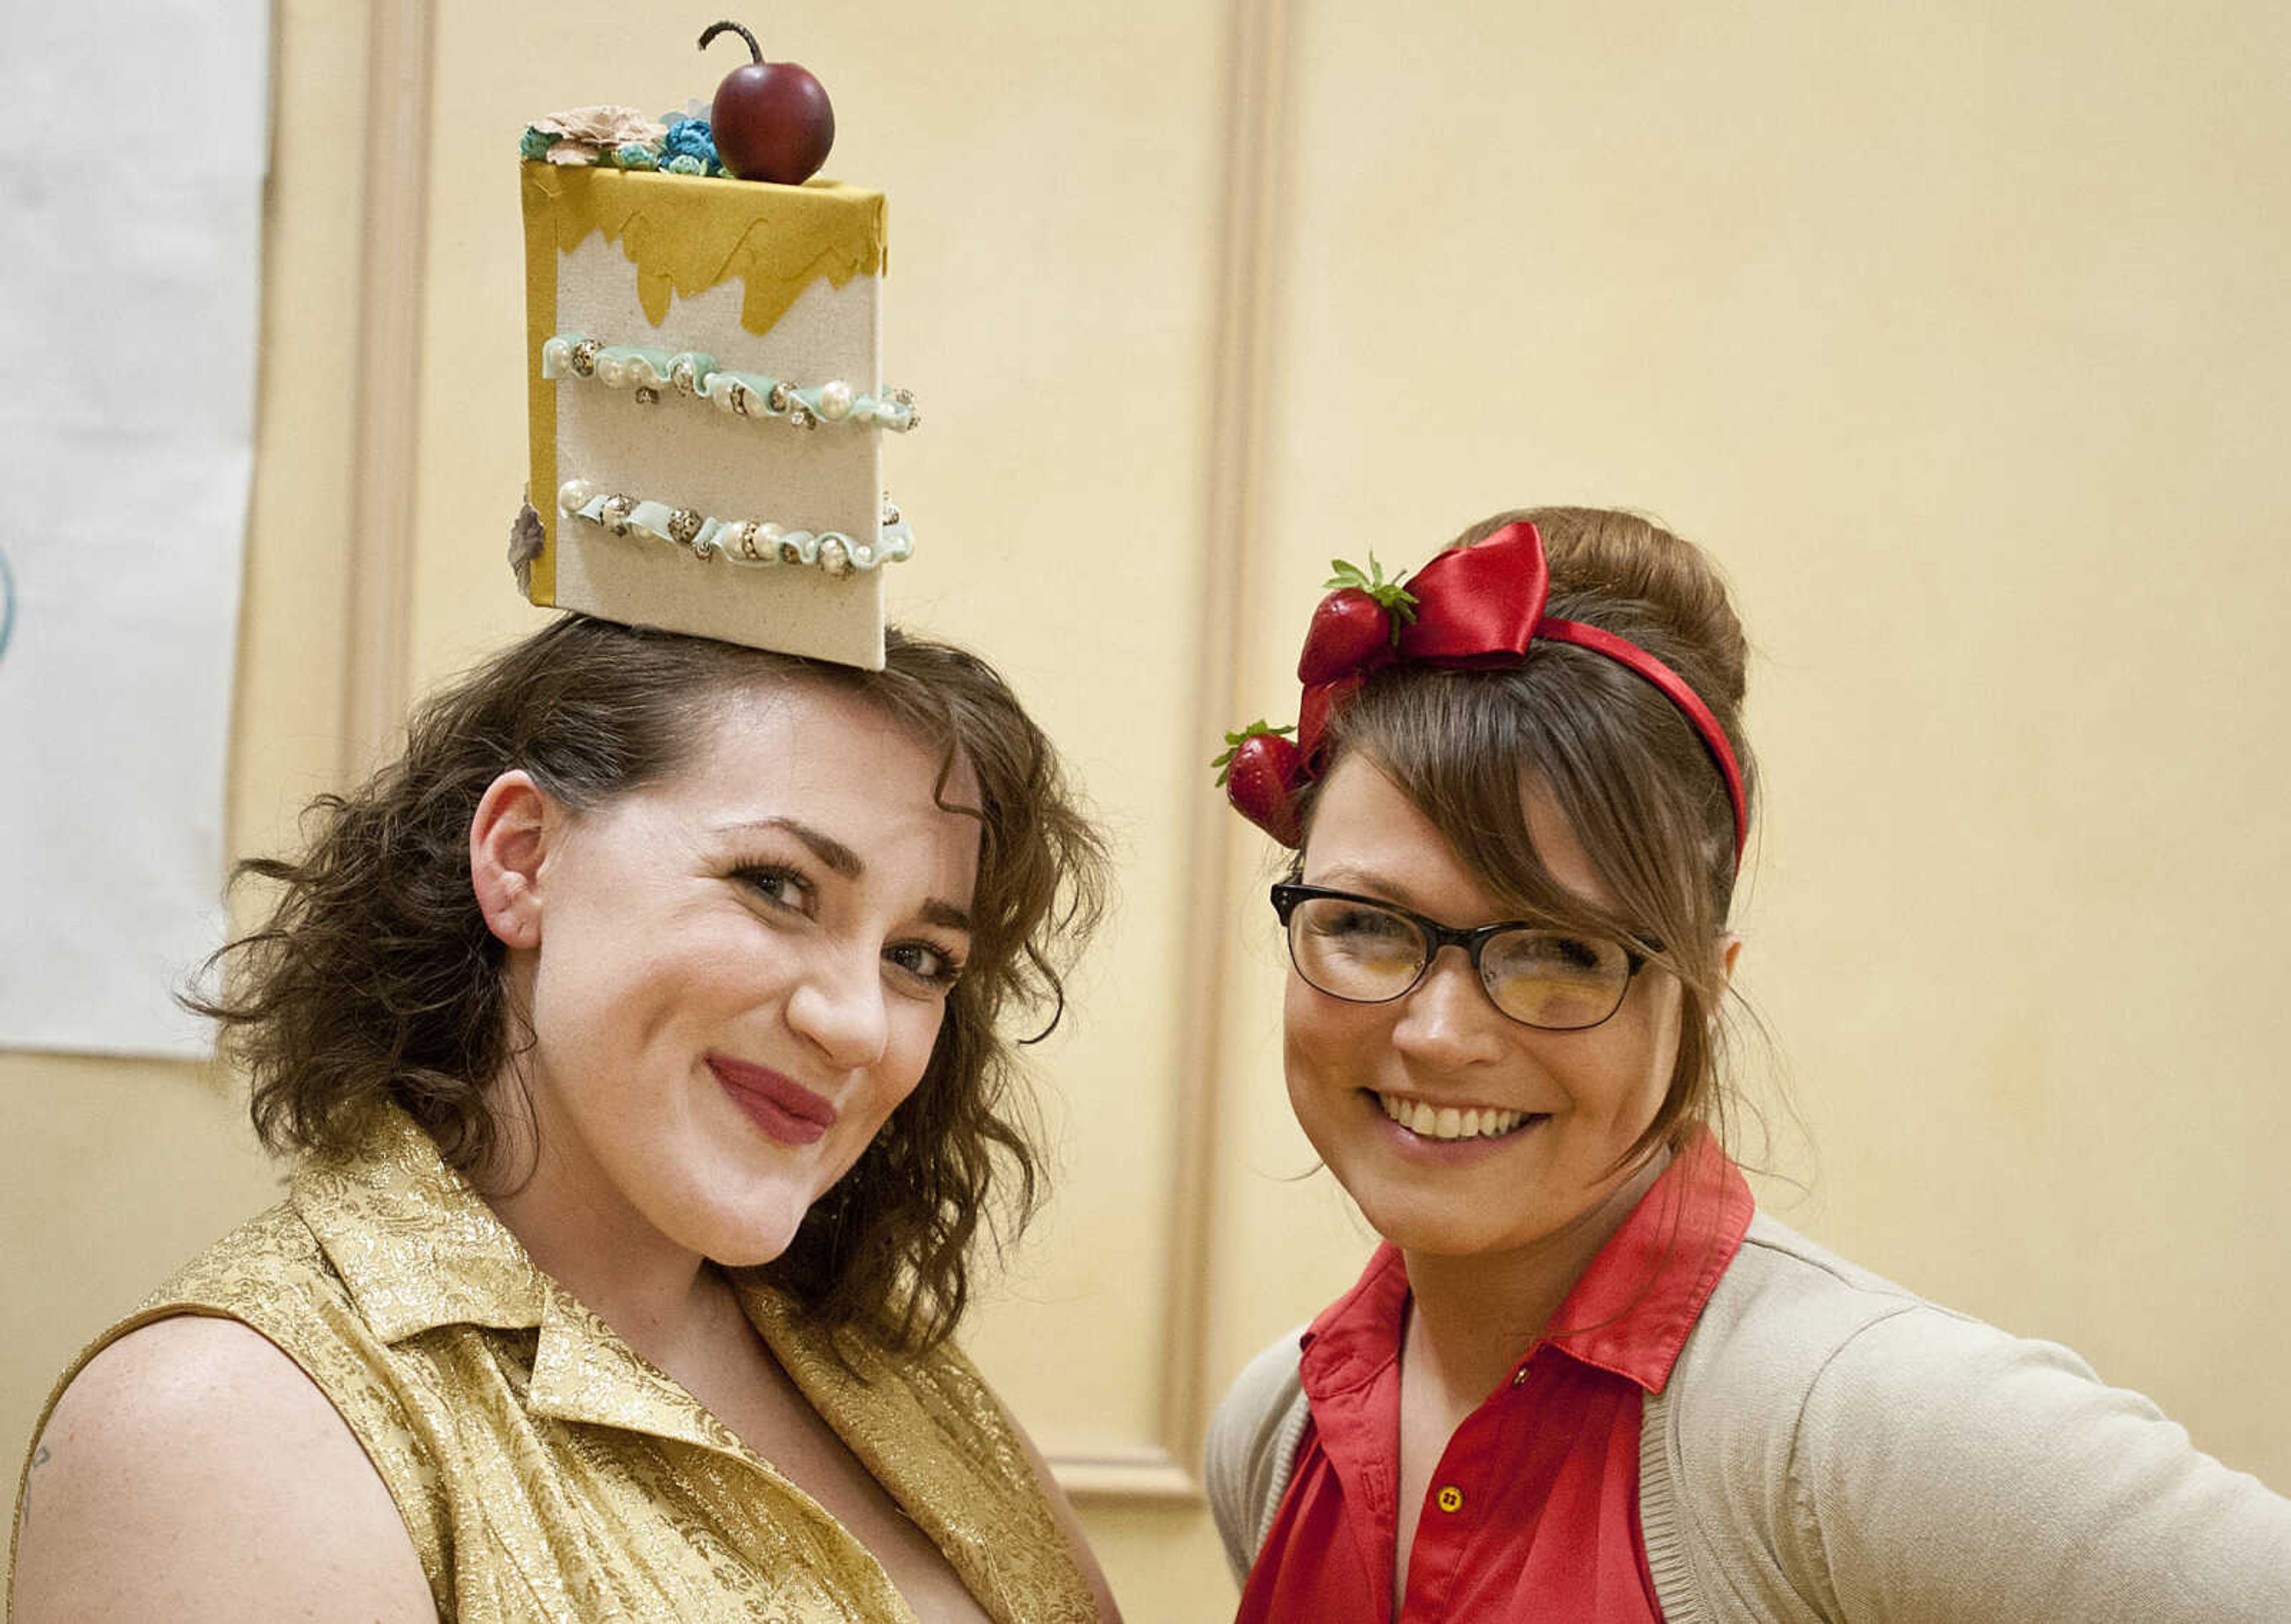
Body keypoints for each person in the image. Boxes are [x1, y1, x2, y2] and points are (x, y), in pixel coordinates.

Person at [1204, 510, 2291, 1622]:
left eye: (1561, 952)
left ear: (1703, 986)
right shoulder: (1272, 1429)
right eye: (1366, 924)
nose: (1438, 1031)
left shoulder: (1867, 1429)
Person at [9, 615, 1122, 1622]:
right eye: (777, 886)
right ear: (522, 858)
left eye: (917, 958)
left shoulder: (892, 1368)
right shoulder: (214, 1432)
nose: (859, 1026)